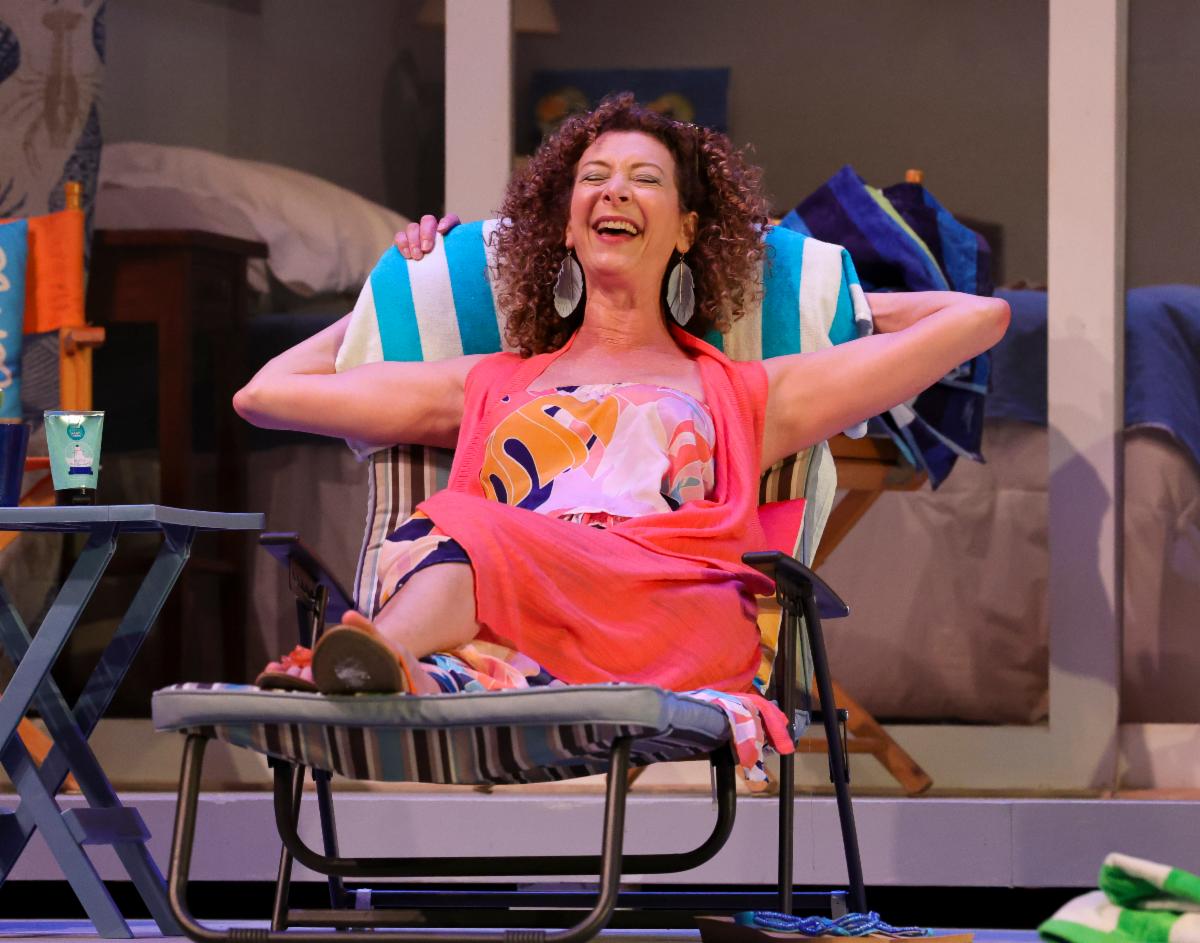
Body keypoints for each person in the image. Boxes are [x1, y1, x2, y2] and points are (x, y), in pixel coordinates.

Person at [235, 95, 1008, 768]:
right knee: (461, 531)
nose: (616, 191)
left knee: (465, 524)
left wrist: (848, 302)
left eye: (646, 180)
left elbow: (980, 318)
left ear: (687, 230)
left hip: (667, 613)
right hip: (521, 611)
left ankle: (372, 661)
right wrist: (397, 289)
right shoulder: (488, 381)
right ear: (566, 227)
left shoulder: (747, 392)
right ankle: (386, 669)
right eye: (595, 178)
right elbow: (264, 394)